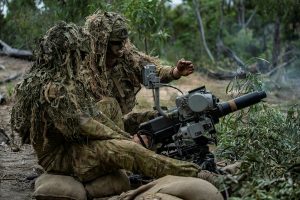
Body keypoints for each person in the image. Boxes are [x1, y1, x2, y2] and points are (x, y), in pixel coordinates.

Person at [11, 11, 222, 200]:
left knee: (120, 110)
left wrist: (173, 73)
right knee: (128, 150)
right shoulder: (56, 89)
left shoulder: (62, 79)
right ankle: (197, 174)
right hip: (63, 155)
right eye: (79, 53)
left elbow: (94, 115)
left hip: (74, 141)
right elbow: (84, 124)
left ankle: (149, 153)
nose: (84, 56)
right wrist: (127, 141)